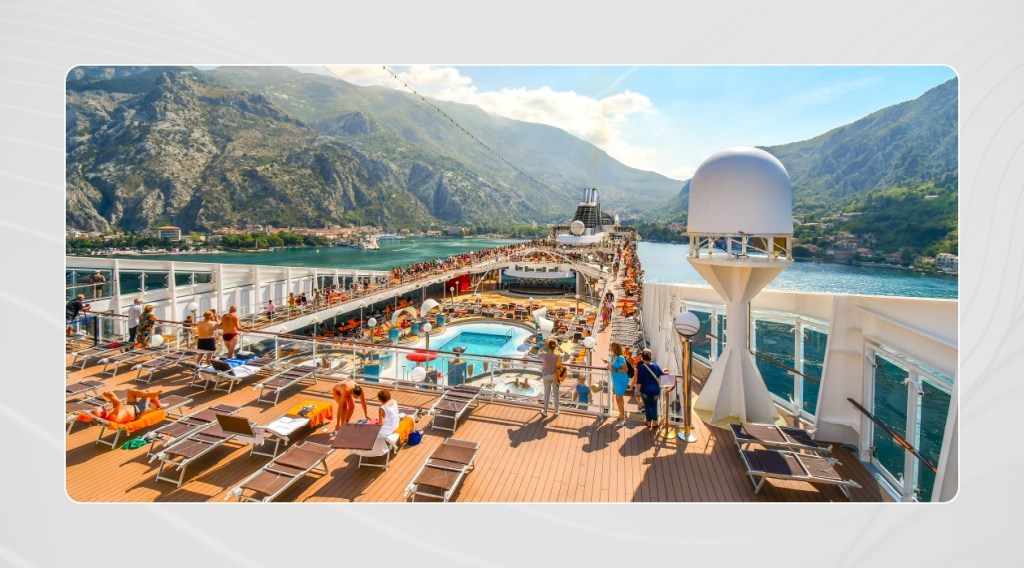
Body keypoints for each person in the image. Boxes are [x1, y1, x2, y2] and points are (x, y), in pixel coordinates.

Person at [631, 350, 668, 430]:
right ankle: (654, 423)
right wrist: (666, 371)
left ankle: (648, 422)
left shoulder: (641, 367)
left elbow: (639, 381)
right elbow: (663, 375)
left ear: (642, 358)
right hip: (655, 390)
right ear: (650, 358)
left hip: (645, 391)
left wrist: (638, 391)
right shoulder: (656, 366)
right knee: (654, 406)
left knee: (647, 406)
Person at [91, 388, 164, 423]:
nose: (98, 407)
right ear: (102, 413)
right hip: (139, 410)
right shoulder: (113, 418)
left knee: (130, 391)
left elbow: (116, 406)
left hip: (130, 405)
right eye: (98, 409)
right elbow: (119, 403)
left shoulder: (108, 413)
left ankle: (150, 396)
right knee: (150, 391)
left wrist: (109, 396)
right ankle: (151, 397)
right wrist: (110, 395)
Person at [603, 341, 629, 425]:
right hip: (616, 379)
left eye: (611, 346)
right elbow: (613, 366)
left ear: (615, 348)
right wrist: (608, 364)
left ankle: (622, 418)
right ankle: (622, 414)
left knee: (618, 398)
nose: (610, 348)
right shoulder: (613, 356)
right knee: (619, 398)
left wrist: (614, 370)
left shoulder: (620, 357)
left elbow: (625, 369)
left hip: (621, 380)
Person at [538, 338, 561, 418]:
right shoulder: (557, 355)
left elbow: (538, 352)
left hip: (546, 376)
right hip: (555, 376)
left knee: (547, 394)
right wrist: (559, 346)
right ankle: (556, 411)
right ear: (555, 346)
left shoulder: (544, 354)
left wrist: (544, 346)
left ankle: (545, 411)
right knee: (556, 394)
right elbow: (564, 353)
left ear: (548, 346)